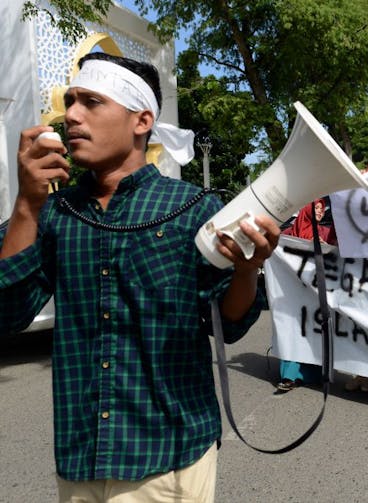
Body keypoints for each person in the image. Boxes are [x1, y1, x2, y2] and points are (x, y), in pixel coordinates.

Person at [0, 53, 279, 502]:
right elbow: (7, 315)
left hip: (168, 463)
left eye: (91, 101)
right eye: (70, 101)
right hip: (80, 460)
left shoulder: (195, 208)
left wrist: (247, 270)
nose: (70, 115)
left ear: (141, 120)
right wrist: (27, 205)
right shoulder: (54, 212)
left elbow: (227, 323)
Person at [276, 198, 336, 392]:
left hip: (315, 294)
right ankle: (290, 376)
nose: (320, 212)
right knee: (293, 330)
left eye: (322, 208)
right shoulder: (288, 234)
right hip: (292, 294)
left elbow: (334, 253)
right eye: (316, 208)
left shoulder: (325, 232)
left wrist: (323, 246)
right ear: (307, 209)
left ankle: (312, 373)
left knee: (313, 332)